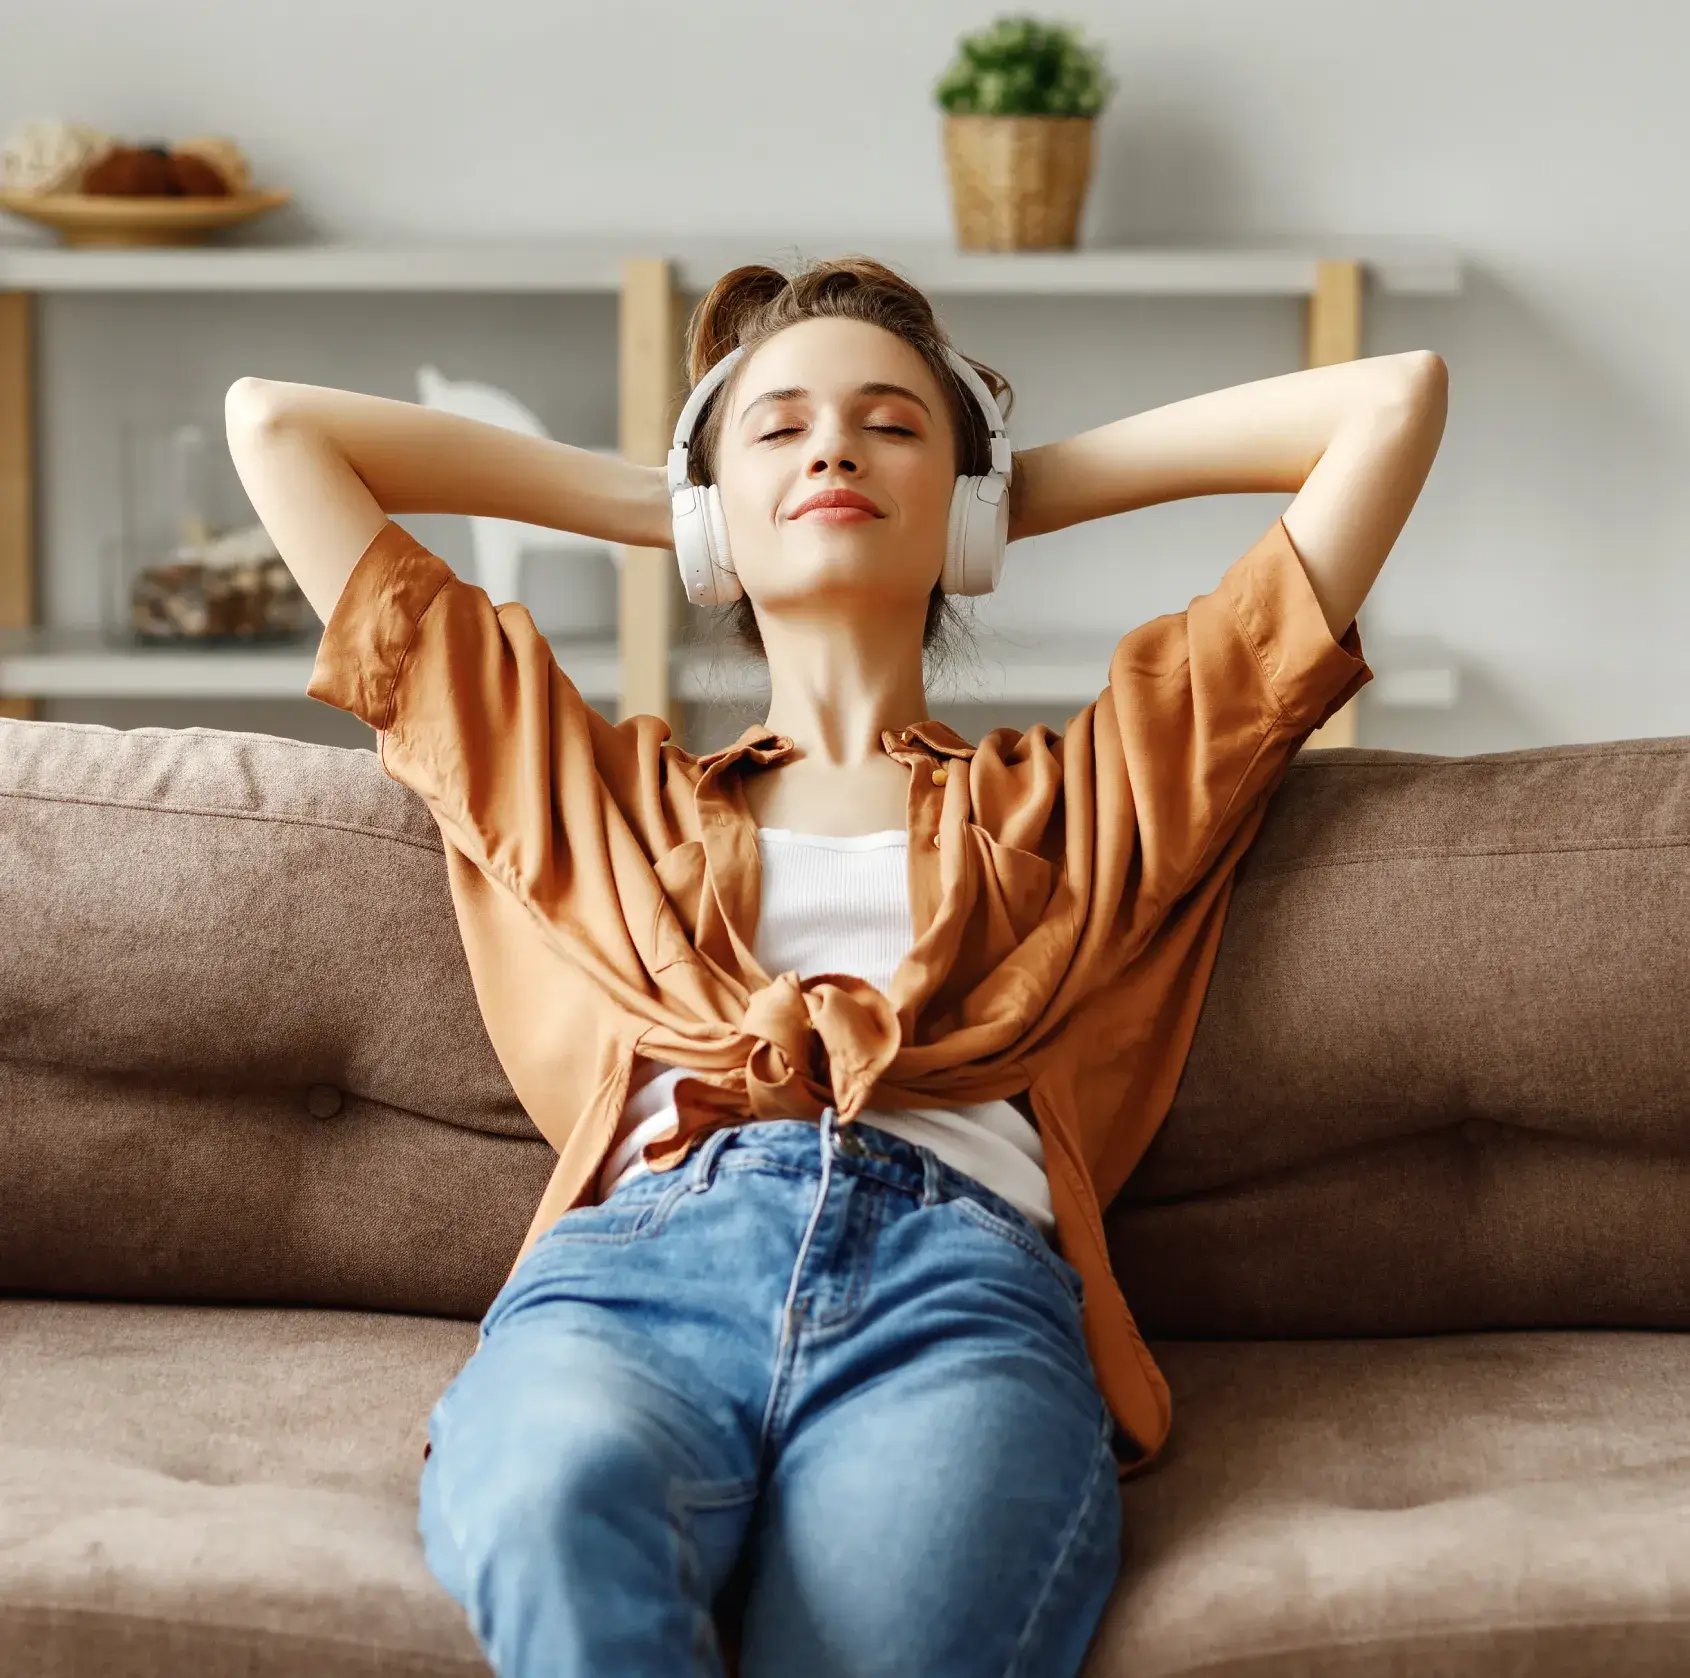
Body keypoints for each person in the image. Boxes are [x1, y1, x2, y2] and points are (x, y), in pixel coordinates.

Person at [226, 253, 1446, 1677]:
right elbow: (279, 430)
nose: (831, 445)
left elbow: (1388, 403)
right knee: (556, 1503)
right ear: (707, 509)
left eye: (892, 423)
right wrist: (669, 507)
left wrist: (1004, 492)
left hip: (955, 1293)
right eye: (777, 424)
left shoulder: (1091, 794)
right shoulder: (593, 796)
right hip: (634, 1282)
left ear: (968, 500)